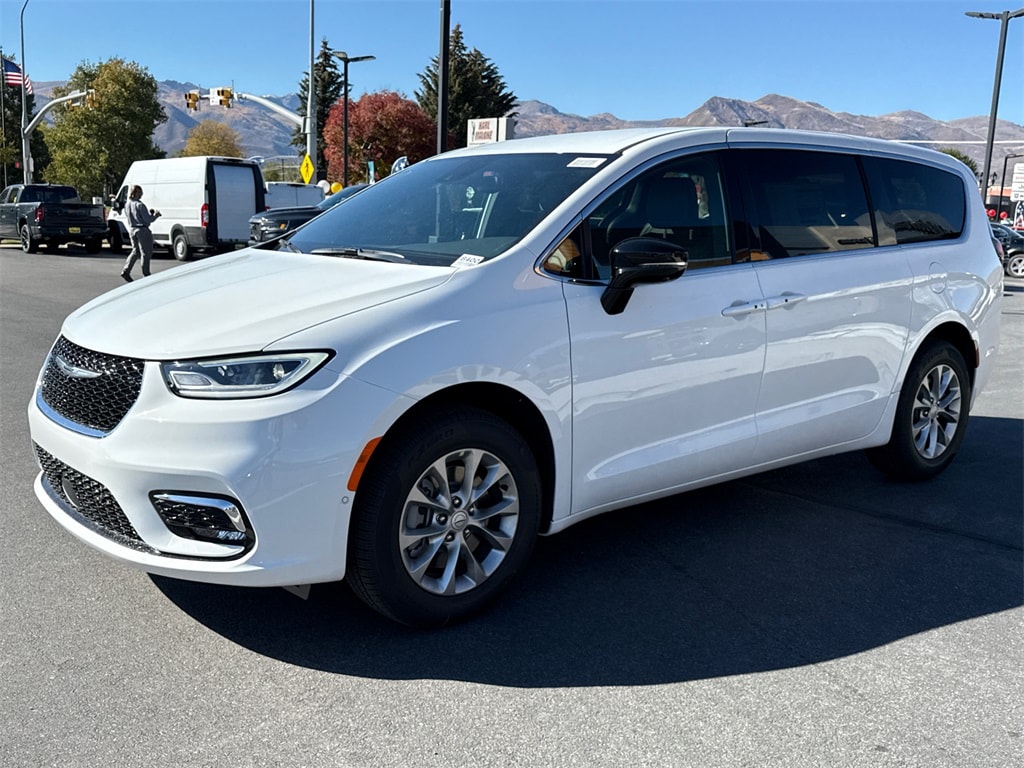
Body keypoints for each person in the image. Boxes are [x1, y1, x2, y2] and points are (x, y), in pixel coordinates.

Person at [121, 184, 161, 282]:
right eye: (139, 192)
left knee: (135, 251)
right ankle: (146, 274)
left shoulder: (127, 204)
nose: (141, 194)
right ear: (134, 193)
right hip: (142, 230)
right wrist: (155, 215)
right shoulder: (140, 205)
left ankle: (126, 270)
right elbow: (147, 219)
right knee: (146, 253)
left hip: (132, 229)